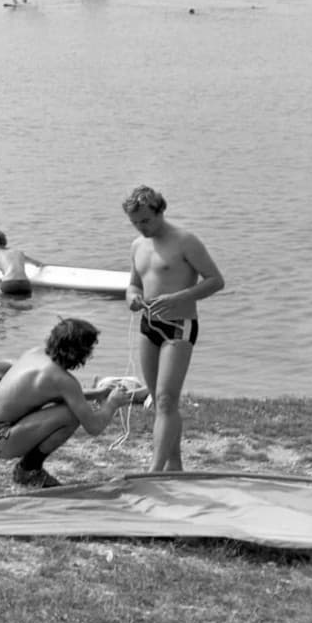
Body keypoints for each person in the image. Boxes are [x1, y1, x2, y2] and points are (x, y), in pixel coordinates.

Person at [123, 185, 224, 472]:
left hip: (180, 326)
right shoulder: (137, 246)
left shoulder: (185, 241)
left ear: (160, 211)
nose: (141, 227)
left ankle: (155, 471)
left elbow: (216, 280)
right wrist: (132, 298)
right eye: (135, 222)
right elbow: (134, 284)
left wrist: (178, 298)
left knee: (167, 398)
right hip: (148, 326)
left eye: (146, 220)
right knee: (158, 400)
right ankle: (174, 466)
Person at [0, 318, 133, 488]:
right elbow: (94, 426)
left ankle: (28, 470)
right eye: (89, 350)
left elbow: (52, 393)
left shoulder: (35, 354)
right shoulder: (63, 380)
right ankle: (29, 471)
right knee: (71, 414)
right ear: (77, 353)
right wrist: (112, 403)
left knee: (70, 408)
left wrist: (98, 393)